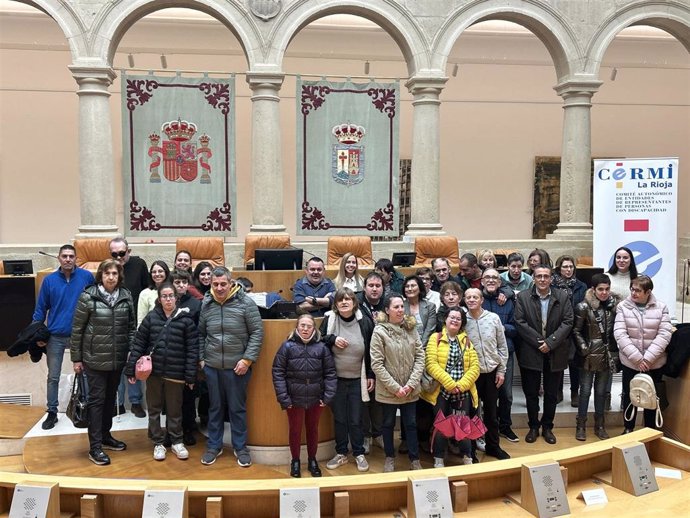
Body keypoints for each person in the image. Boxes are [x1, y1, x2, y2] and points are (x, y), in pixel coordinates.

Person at [70, 259, 136, 466]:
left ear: (119, 276)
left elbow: (131, 328)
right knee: (97, 403)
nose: (111, 277)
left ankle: (106, 436)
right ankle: (95, 447)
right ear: (101, 275)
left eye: (114, 273)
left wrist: (131, 352)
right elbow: (77, 330)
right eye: (107, 273)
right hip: (94, 360)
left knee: (110, 401)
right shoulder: (88, 296)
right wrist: (76, 358)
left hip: (116, 360)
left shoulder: (126, 296)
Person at [124, 283, 199, 461]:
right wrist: (130, 370)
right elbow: (138, 345)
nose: (168, 299)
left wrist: (190, 375)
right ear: (159, 298)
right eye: (164, 296)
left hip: (176, 374)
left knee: (174, 410)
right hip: (154, 373)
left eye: (171, 296)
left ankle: (176, 441)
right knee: (154, 409)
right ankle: (158, 442)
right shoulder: (151, 318)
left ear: (176, 297)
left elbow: (192, 350)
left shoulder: (186, 320)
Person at [199, 266, 264, 467]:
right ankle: (214, 446)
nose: (219, 288)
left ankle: (240, 448)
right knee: (215, 408)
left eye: (223, 284)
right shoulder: (206, 303)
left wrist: (247, 360)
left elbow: (257, 333)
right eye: (215, 284)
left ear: (230, 283)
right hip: (212, 366)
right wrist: (202, 358)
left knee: (237, 409)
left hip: (238, 368)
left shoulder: (245, 302)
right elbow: (201, 333)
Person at [32, 244, 94, 430]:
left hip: (80, 335)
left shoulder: (87, 277)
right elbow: (40, 310)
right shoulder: (49, 281)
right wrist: (36, 333)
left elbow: (95, 303)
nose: (68, 259)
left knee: (85, 373)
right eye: (64, 256)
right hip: (56, 336)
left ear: (76, 259)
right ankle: (52, 412)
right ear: (59, 258)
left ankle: (86, 408)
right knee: (53, 376)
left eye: (71, 256)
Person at [515, 265, 573, 445]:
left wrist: (551, 342)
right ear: (533, 278)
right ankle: (533, 426)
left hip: (555, 352)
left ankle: (547, 427)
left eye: (545, 276)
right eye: (538, 276)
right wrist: (540, 342)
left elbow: (568, 321)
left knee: (551, 394)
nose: (542, 279)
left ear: (551, 279)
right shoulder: (523, 297)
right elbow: (519, 321)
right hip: (531, 351)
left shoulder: (562, 296)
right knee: (531, 393)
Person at [273, 314, 337, 478]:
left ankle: (312, 460)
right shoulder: (287, 346)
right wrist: (284, 398)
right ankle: (295, 461)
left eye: (309, 326)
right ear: (297, 327)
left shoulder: (322, 348)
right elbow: (278, 373)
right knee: (295, 430)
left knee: (312, 430)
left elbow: (330, 373)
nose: (306, 329)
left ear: (314, 328)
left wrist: (328, 396)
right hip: (294, 399)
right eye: (302, 325)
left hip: (316, 398)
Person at [320, 288, 374, 473]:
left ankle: (358, 453)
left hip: (358, 379)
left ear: (354, 302)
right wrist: (333, 339)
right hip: (336, 380)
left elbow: (371, 351)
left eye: (348, 299)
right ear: (335, 304)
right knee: (340, 418)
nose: (344, 302)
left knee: (356, 419)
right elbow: (319, 341)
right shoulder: (330, 320)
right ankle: (341, 452)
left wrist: (371, 375)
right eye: (340, 300)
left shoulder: (364, 322)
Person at [370, 294, 425, 472]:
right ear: (387, 310)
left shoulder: (412, 329)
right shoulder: (379, 332)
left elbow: (420, 357)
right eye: (396, 307)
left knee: (410, 424)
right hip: (389, 391)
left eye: (402, 306)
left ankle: (414, 459)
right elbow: (377, 364)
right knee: (387, 424)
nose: (401, 310)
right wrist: (395, 388)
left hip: (410, 389)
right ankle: (389, 457)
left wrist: (410, 384)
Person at [421, 307, 479, 467]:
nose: (454, 320)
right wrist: (449, 383)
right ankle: (438, 458)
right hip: (441, 392)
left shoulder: (467, 341)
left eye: (458, 318)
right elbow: (431, 364)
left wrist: (461, 385)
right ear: (445, 319)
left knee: (463, 425)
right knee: (441, 425)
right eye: (451, 317)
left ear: (462, 323)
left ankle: (467, 456)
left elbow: (475, 367)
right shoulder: (436, 338)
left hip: (462, 392)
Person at [614, 275, 672, 433]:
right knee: (629, 395)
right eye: (632, 289)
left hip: (654, 363)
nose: (633, 293)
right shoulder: (623, 306)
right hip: (631, 362)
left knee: (652, 398)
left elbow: (664, 334)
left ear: (648, 292)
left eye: (638, 290)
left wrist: (648, 359)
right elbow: (620, 333)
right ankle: (628, 428)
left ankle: (649, 430)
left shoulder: (661, 307)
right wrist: (637, 359)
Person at [464, 288, 510, 460]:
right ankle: (472, 451)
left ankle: (493, 446)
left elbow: (502, 346)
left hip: (491, 373)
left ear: (482, 299)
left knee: (491, 413)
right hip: (472, 376)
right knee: (472, 413)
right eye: (468, 297)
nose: (471, 300)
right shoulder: (462, 321)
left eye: (475, 297)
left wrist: (501, 370)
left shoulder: (493, 318)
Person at [573, 274, 620, 441]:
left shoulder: (614, 306)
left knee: (601, 392)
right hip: (589, 356)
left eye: (607, 289)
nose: (604, 292)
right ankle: (581, 425)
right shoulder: (583, 307)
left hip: (607, 355)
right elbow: (576, 330)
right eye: (600, 289)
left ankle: (600, 425)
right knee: (584, 391)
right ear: (593, 289)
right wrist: (585, 349)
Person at [110, 237, 148, 418]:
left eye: (122, 253)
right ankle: (118, 404)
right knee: (117, 365)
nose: (118, 257)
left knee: (133, 363)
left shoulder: (139, 264)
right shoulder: (109, 269)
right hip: (114, 325)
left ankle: (135, 402)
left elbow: (147, 291)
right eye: (114, 254)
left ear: (129, 251)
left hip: (135, 325)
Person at [481, 268, 519, 443]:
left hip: (504, 354)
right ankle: (484, 428)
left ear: (500, 282)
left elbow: (516, 326)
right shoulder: (475, 300)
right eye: (487, 277)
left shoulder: (508, 301)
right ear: (481, 281)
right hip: (481, 356)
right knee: (483, 395)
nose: (490, 280)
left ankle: (505, 426)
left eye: (494, 278)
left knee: (506, 394)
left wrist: (502, 328)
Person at [171, 268, 204, 446]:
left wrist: (198, 356)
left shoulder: (196, 303)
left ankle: (189, 428)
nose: (181, 285)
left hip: (189, 354)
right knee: (171, 396)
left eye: (184, 282)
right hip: (171, 354)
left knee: (189, 395)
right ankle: (173, 429)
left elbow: (200, 331)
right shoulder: (166, 301)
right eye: (177, 282)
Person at [552, 255, 587, 406]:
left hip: (576, 328)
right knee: (558, 362)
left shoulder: (581, 286)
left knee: (575, 363)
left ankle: (574, 392)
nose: (568, 269)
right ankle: (557, 390)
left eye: (571, 267)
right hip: (558, 328)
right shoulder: (552, 285)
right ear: (559, 268)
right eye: (565, 267)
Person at [356, 272, 385, 452]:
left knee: (380, 401)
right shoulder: (357, 306)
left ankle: (379, 434)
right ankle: (365, 436)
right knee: (364, 400)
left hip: (384, 360)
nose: (374, 289)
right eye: (371, 286)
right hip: (363, 360)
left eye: (378, 286)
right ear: (364, 288)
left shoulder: (388, 304)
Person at [403, 275, 437, 348]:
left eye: (413, 286)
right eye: (407, 286)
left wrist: (420, 348)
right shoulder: (400, 306)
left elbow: (429, 330)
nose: (409, 289)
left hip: (425, 347)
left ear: (420, 288)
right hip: (405, 347)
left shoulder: (430, 307)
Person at [137, 260, 171, 326]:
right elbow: (141, 320)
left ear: (166, 273)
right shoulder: (145, 293)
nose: (157, 274)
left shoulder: (173, 291)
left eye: (160, 271)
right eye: (154, 272)